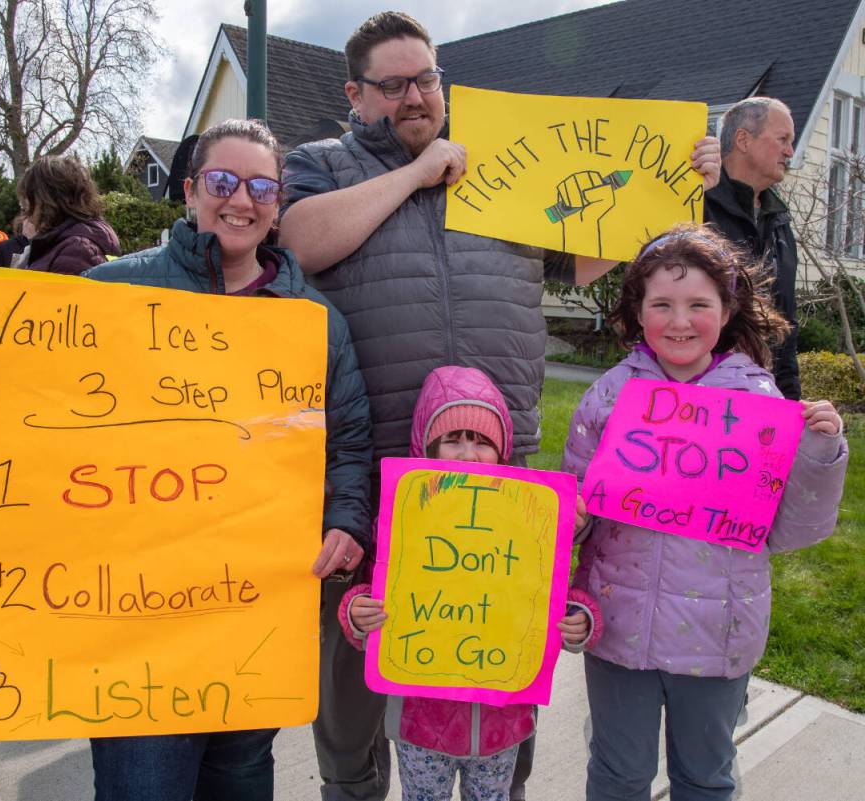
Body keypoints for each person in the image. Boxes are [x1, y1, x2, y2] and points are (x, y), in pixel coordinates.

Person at [277, 12, 722, 800]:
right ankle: (352, 786)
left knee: (495, 638)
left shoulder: (502, 166)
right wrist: (419, 174)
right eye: (394, 84)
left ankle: (497, 781)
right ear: (355, 93)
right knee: (360, 649)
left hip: (496, 456)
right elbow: (302, 241)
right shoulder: (321, 164)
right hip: (375, 458)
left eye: (427, 79)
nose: (417, 97)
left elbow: (585, 255)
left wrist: (677, 185)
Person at [0, 118, 373, 801]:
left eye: (261, 185)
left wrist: (347, 520)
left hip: (252, 619)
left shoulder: (312, 318)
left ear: (279, 202)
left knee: (240, 780)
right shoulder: (111, 292)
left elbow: (350, 440)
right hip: (133, 625)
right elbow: (39, 411)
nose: (241, 199)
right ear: (190, 192)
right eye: (222, 181)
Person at [561, 225, 848, 801]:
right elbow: (574, 509)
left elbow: (791, 528)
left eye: (699, 304)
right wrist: (574, 514)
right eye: (661, 304)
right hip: (619, 629)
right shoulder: (609, 397)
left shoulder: (760, 403)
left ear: (727, 309)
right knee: (616, 775)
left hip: (717, 635)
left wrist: (821, 452)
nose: (680, 321)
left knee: (705, 777)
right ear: (637, 311)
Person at [337, 364, 599, 801]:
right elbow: (373, 587)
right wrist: (357, 613)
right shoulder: (404, 516)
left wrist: (580, 619)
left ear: (502, 450)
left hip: (503, 719)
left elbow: (551, 592)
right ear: (428, 447)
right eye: (452, 441)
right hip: (421, 722)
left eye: (481, 442)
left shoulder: (526, 520)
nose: (466, 455)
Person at [705, 97, 800, 400]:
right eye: (783, 139)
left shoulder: (779, 221)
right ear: (743, 139)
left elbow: (785, 321)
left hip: (763, 395)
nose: (790, 152)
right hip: (700, 398)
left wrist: (790, 402)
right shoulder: (697, 208)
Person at [16, 154, 121, 274]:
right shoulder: (63, 242)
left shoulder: (77, 250)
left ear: (47, 200)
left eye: (27, 201)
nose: (25, 209)